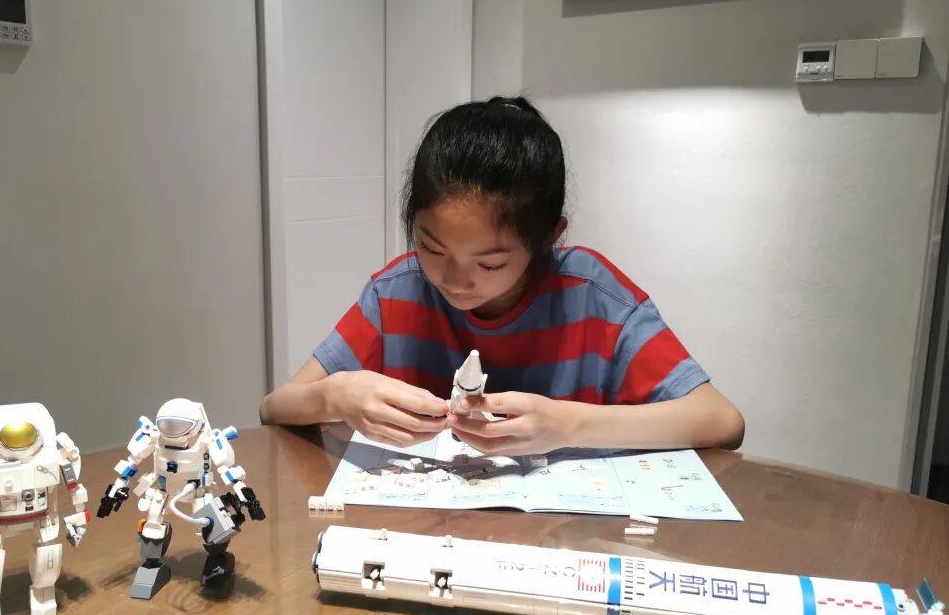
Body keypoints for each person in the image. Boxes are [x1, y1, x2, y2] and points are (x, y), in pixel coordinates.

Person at [259, 96, 744, 455]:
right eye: (431, 247)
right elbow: (275, 407)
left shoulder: (593, 296)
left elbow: (721, 421)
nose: (454, 279)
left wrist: (567, 425)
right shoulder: (397, 292)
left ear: (548, 238)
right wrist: (337, 396)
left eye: (490, 263)